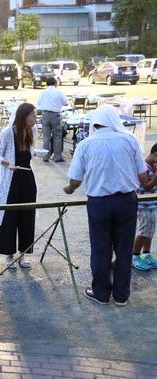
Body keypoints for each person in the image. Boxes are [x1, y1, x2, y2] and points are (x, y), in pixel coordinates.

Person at [64, 105, 147, 305]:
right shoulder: (130, 141)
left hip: (99, 203)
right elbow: (143, 177)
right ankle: (121, 296)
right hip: (127, 201)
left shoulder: (85, 145)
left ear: (95, 123)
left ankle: (101, 293)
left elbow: (75, 180)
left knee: (101, 249)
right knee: (124, 249)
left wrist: (69, 189)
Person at [0, 103, 37, 269]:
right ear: (23, 117)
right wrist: (8, 163)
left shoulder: (32, 131)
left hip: (27, 177)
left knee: (27, 216)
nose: (35, 119)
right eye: (32, 116)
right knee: (9, 216)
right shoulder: (7, 133)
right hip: (11, 179)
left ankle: (23, 254)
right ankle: (9, 255)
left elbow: (31, 152)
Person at [132, 142, 157, 271]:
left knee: (150, 230)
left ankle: (146, 253)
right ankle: (135, 255)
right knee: (143, 231)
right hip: (143, 204)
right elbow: (146, 186)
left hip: (153, 203)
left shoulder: (154, 165)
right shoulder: (143, 166)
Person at [36, 77, 68, 162]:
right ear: (55, 83)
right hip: (55, 115)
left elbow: (38, 103)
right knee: (57, 136)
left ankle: (46, 156)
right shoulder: (59, 92)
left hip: (45, 115)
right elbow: (65, 102)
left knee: (46, 137)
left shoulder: (43, 92)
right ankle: (57, 156)